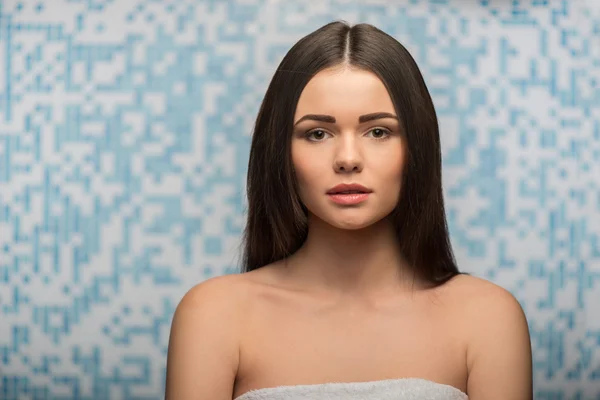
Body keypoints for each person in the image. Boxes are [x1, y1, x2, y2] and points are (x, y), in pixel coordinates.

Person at [165, 21, 533, 400]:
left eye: (378, 132)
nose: (347, 159)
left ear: (417, 148)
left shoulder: (488, 318)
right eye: (317, 134)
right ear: (279, 152)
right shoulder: (213, 316)